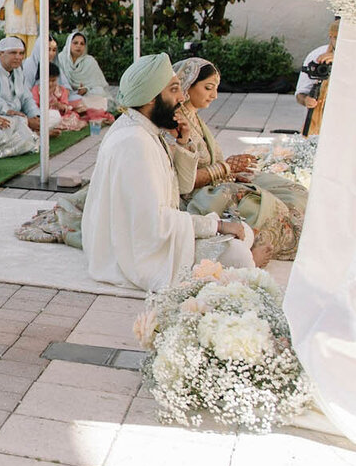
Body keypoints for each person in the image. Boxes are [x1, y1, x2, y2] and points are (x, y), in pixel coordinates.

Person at [81, 54, 254, 291]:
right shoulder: (135, 142)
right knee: (238, 255)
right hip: (136, 253)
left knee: (246, 233)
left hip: (149, 236)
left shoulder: (145, 129)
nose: (182, 97)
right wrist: (218, 227)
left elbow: (181, 188)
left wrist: (183, 145)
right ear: (150, 98)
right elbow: (156, 224)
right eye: (174, 89)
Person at [171, 57, 306, 263]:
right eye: (208, 88)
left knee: (292, 190)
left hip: (218, 181)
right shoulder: (175, 122)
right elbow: (182, 182)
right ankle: (258, 247)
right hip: (197, 196)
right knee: (263, 203)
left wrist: (232, 171)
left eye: (216, 88)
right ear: (187, 85)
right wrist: (226, 168)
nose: (214, 95)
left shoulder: (194, 116)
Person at [295, 17, 338, 136]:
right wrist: (307, 100)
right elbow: (300, 93)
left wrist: (341, 61)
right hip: (319, 123)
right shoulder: (317, 55)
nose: (340, 42)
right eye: (336, 38)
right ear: (331, 37)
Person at [57, 31, 118, 111]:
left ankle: (81, 107)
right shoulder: (60, 59)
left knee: (99, 91)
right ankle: (80, 106)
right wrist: (69, 90)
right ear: (69, 44)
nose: (78, 46)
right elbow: (57, 80)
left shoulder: (90, 61)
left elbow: (98, 83)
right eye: (75, 43)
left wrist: (86, 89)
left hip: (86, 94)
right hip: (67, 93)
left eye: (82, 44)